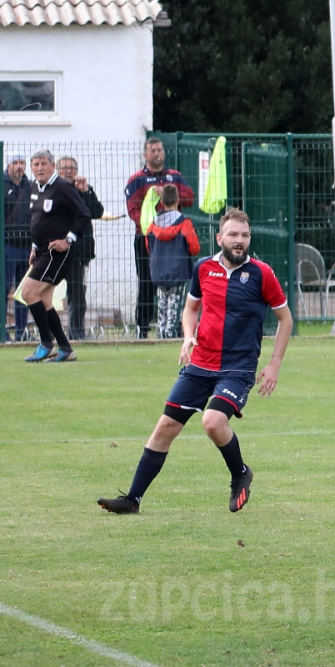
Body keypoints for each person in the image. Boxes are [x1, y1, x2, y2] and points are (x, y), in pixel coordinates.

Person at [98, 208, 292, 514]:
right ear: (220, 237)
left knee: (213, 421)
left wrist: (275, 364)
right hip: (199, 365)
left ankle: (240, 473)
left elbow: (285, 318)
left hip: (237, 369)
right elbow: (190, 310)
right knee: (165, 428)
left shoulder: (261, 273)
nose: (239, 241)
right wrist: (188, 336)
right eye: (233, 235)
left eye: (244, 235)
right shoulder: (203, 268)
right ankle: (132, 500)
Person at [21, 150, 91, 363]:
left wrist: (68, 239)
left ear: (52, 165)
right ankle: (65, 348)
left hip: (56, 251)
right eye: (35, 164)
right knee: (44, 299)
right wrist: (34, 246)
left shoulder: (62, 187)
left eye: (43, 163)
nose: (39, 168)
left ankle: (45, 343)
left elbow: (84, 215)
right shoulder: (35, 187)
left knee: (28, 292)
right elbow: (38, 219)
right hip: (42, 250)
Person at [124, 137, 194, 338]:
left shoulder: (175, 176)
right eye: (152, 150)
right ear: (145, 155)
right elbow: (133, 210)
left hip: (175, 240)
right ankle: (143, 328)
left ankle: (176, 328)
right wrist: (151, 228)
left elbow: (189, 198)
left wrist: (168, 192)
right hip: (148, 239)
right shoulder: (137, 179)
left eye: (159, 150)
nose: (157, 154)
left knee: (176, 281)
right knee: (146, 281)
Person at [57, 156, 104, 340]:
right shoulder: (54, 190)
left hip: (79, 251)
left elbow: (97, 212)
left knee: (77, 294)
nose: (68, 171)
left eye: (72, 168)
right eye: (64, 168)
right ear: (57, 170)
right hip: (56, 249)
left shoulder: (84, 190)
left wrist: (85, 192)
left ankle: (76, 332)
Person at [148, 184, 201, 339]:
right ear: (178, 200)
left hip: (158, 268)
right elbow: (194, 247)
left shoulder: (153, 224)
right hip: (178, 268)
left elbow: (148, 245)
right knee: (175, 301)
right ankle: (171, 332)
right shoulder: (184, 223)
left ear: (162, 202)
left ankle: (161, 331)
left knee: (162, 300)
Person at [3, 152, 31, 342]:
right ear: (8, 165)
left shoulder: (29, 186)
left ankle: (22, 331)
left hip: (28, 244)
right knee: (3, 289)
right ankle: (2, 331)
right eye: (15, 163)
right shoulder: (2, 185)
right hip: (7, 243)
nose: (19, 167)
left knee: (25, 291)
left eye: (22, 163)